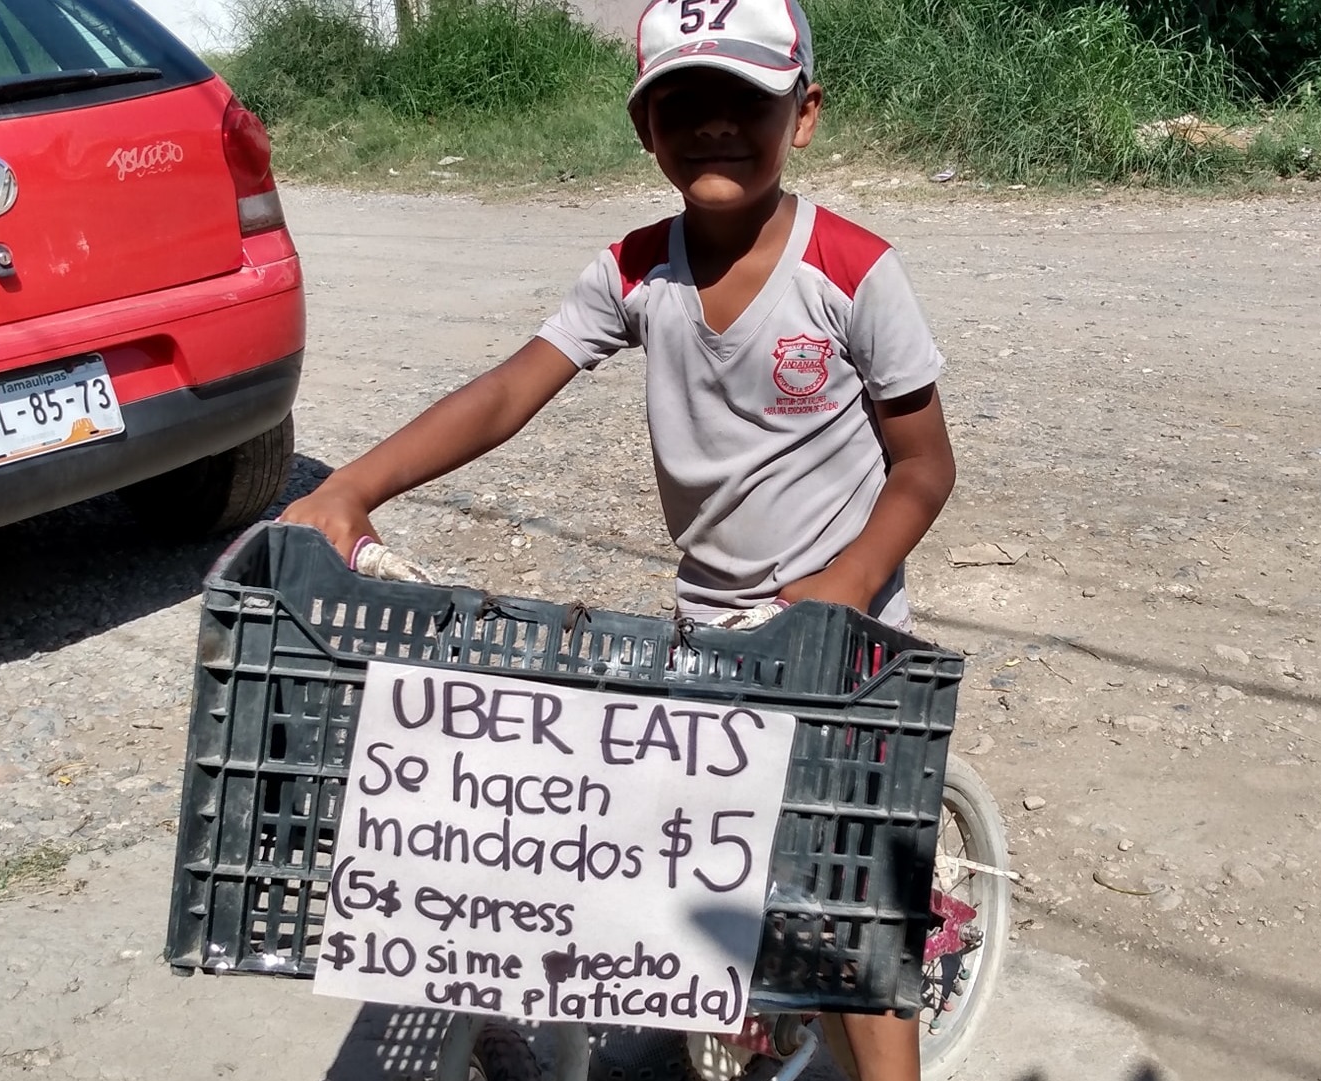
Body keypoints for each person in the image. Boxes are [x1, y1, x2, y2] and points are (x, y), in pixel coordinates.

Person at [282, 1, 954, 1077]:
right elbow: (511, 387)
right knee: (676, 855)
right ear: (646, 130)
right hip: (710, 622)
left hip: (842, 638)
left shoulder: (854, 272)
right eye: (680, 105)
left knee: (850, 900)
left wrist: (846, 581)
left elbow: (925, 467)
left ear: (806, 113)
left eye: (746, 100)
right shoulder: (638, 267)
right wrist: (352, 487)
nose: (714, 126)